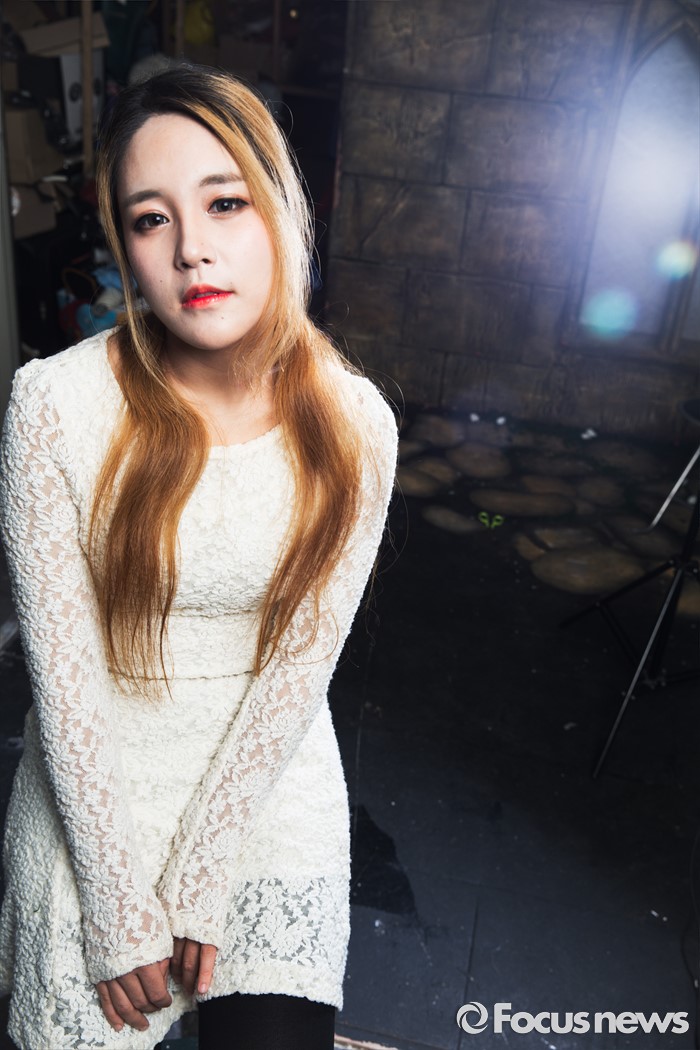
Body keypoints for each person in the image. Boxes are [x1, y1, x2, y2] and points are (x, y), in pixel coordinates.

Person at [0, 66, 397, 1050]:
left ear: (280, 208)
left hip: (264, 784)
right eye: (151, 219)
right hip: (97, 789)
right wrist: (118, 902)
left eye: (224, 202)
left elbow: (299, 672)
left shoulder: (356, 425)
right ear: (126, 249)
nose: (191, 249)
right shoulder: (52, 406)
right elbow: (63, 679)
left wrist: (204, 873)